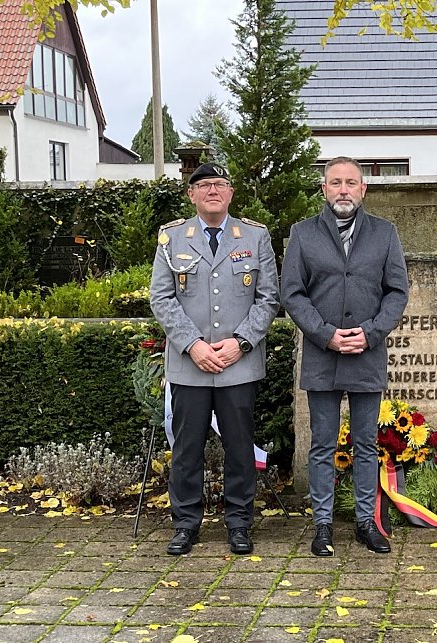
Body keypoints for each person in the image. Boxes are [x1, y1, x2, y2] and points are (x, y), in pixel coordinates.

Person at [280, 156, 409, 556]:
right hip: (323, 355)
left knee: (366, 444)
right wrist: (325, 335)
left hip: (367, 354)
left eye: (351, 182)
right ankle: (322, 525)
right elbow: (292, 293)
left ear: (363, 189)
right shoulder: (303, 234)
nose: (343, 190)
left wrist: (370, 334)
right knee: (322, 444)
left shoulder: (385, 233)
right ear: (324, 189)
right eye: (335, 182)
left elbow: (397, 292)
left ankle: (366, 523)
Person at [149, 163, 279, 556]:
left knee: (239, 449)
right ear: (191, 194)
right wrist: (193, 345)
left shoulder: (255, 236)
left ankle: (239, 523)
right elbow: (161, 298)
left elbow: (268, 298)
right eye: (204, 185)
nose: (212, 191)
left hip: (238, 364)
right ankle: (185, 524)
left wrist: (241, 342)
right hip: (190, 365)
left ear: (231, 193)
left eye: (220, 184)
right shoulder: (172, 237)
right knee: (187, 450)